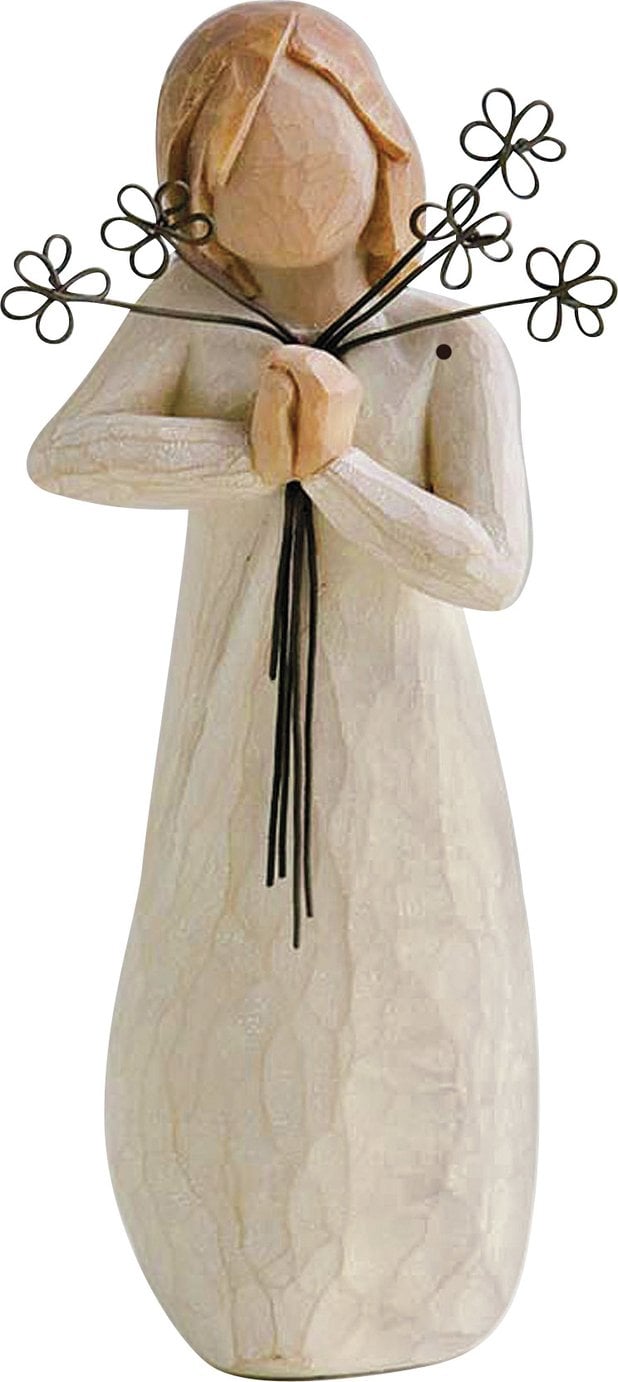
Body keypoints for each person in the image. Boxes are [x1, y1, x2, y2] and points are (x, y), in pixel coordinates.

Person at [27, 4, 537, 1375]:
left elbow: (490, 565)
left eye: (312, 142)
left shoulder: (445, 344)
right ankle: (233, 1264)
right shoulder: (194, 318)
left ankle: (419, 1269)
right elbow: (66, 454)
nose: (287, 184)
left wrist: (335, 467)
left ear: (384, 148)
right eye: (243, 156)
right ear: (192, 186)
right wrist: (248, 456)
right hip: (233, 734)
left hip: (409, 746)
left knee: (412, 990)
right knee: (235, 970)